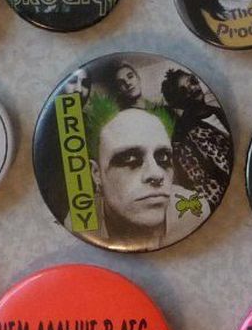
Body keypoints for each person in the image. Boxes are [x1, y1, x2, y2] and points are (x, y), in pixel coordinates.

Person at [73, 97, 210, 250]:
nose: (157, 174)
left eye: (163, 157)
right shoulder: (80, 222)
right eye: (130, 159)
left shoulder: (195, 212)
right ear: (96, 174)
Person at [161, 69, 232, 210]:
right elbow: (202, 185)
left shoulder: (220, 111)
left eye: (192, 82)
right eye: (183, 91)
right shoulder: (185, 136)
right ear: (178, 102)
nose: (192, 89)